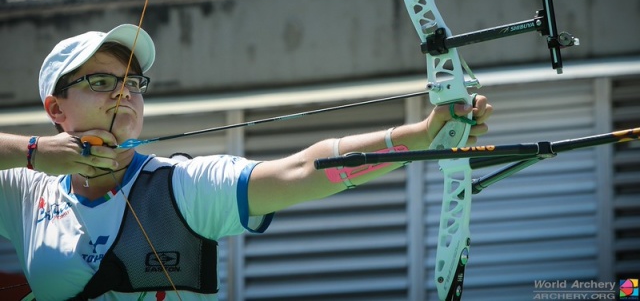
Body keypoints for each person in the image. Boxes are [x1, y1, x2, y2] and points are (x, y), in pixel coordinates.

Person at [0, 24, 492, 300]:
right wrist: (35, 153)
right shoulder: (27, 189)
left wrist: (423, 135)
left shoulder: (182, 186)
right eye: (102, 82)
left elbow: (301, 170)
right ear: (55, 109)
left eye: (133, 82)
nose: (124, 92)